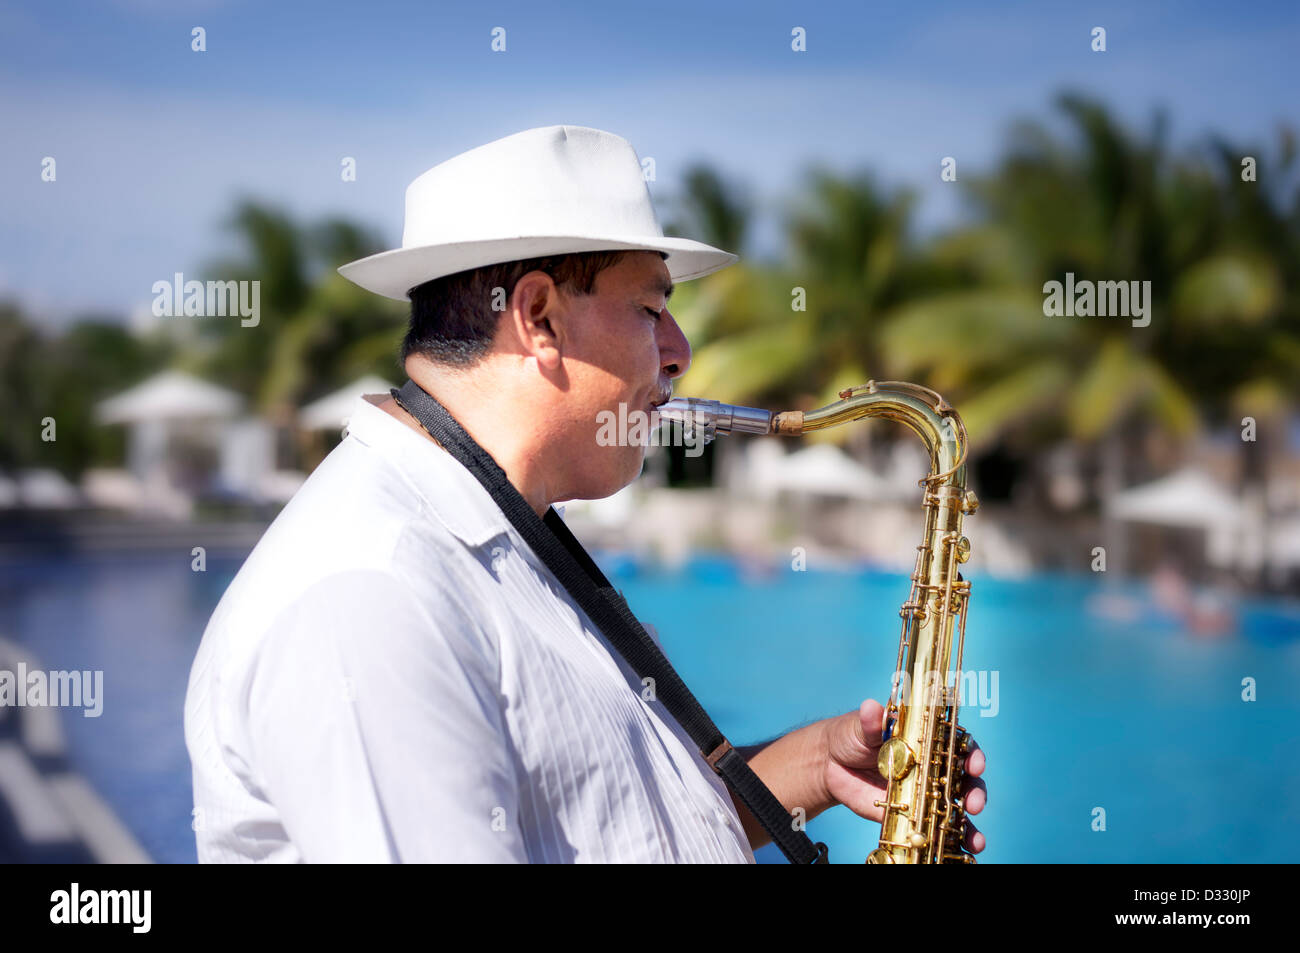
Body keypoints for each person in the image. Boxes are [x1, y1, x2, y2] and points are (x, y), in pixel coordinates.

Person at [183, 125, 987, 862]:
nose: (680, 353)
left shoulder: (508, 531)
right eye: (651, 309)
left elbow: (612, 826)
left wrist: (814, 763)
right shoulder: (373, 596)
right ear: (537, 316)